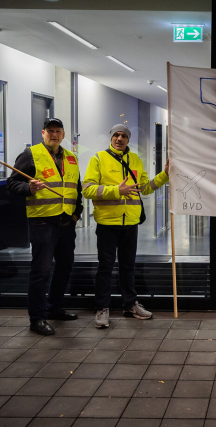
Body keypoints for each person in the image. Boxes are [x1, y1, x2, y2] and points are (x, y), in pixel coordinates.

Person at [82, 124, 169, 329]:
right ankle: (102, 308)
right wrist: (116, 190)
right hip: (107, 223)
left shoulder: (136, 160)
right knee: (105, 267)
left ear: (128, 140)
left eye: (123, 136)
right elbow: (87, 189)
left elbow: (146, 188)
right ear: (111, 138)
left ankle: (130, 304)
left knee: (128, 267)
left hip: (130, 222)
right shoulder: (98, 159)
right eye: (116, 135)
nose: (119, 139)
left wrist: (165, 175)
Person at [7, 118, 82, 336]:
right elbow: (12, 183)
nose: (54, 135)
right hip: (42, 222)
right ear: (43, 133)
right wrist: (29, 188)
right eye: (50, 131)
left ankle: (54, 308)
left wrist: (77, 213)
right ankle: (37, 319)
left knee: (65, 266)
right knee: (41, 271)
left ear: (63, 134)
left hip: (66, 221)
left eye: (58, 131)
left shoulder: (71, 157)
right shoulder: (30, 155)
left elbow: (75, 186)